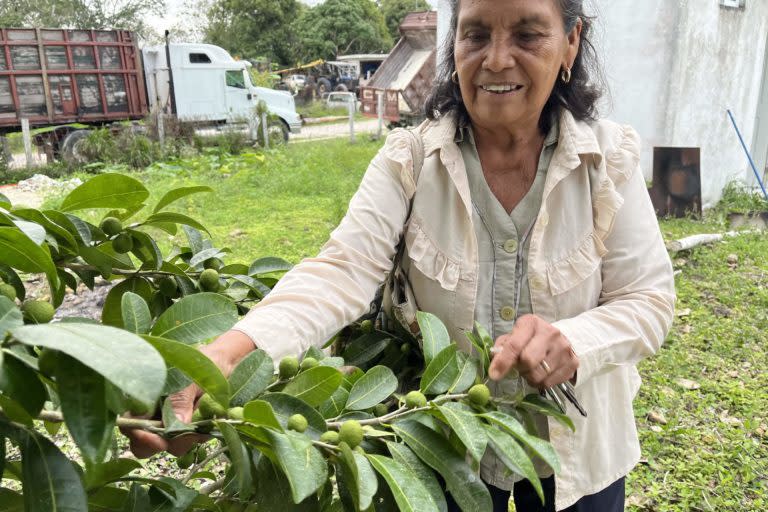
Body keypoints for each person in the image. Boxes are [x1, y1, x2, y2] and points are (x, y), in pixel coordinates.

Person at [124, 0, 675, 510]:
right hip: (443, 447)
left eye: (528, 34)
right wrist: (225, 356)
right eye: (476, 34)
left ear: (571, 43)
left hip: (580, 452)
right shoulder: (410, 161)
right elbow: (341, 272)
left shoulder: (609, 160)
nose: (497, 59)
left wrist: (574, 341)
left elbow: (648, 300)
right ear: (453, 45)